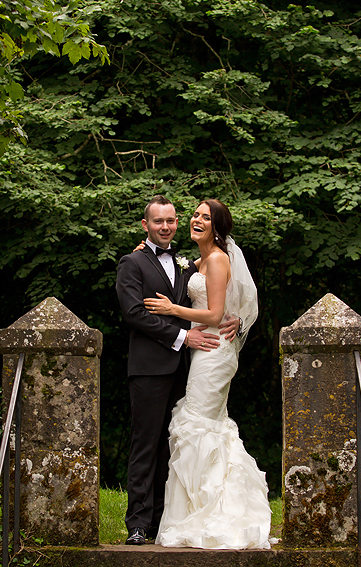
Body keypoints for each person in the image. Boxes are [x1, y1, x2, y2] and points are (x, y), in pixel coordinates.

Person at [143, 199, 274, 550]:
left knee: (199, 423)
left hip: (215, 353)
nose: (197, 220)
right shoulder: (196, 262)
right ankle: (200, 507)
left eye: (206, 217)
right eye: (196, 215)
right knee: (203, 424)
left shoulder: (217, 259)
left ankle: (215, 511)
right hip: (201, 352)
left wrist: (172, 309)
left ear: (217, 227)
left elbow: (216, 314)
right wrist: (144, 249)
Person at [116, 195, 240, 546]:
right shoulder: (133, 262)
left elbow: (214, 303)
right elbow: (134, 314)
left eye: (171, 220)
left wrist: (237, 319)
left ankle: (163, 519)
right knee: (146, 443)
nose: (167, 227)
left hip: (188, 369)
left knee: (174, 444)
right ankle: (138, 523)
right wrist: (182, 337)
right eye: (159, 222)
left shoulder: (190, 264)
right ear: (146, 225)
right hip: (150, 368)